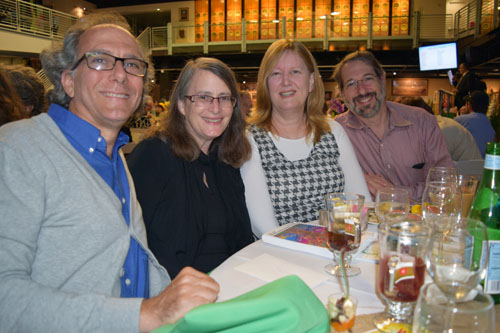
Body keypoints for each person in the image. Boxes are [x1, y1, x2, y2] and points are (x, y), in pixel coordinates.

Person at [0, 13, 219, 332]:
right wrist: (146, 314)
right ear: (68, 80)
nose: (120, 74)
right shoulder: (18, 148)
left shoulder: (113, 156)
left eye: (132, 64)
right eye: (100, 60)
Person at [127, 57, 254, 279]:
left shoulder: (226, 161)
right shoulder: (153, 156)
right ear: (182, 105)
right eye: (204, 97)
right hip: (175, 296)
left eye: (224, 98)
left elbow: (240, 240)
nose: (215, 108)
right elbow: (131, 243)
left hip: (230, 285)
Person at [241, 39, 371, 238]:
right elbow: (264, 227)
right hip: (279, 256)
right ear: (265, 84)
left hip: (336, 248)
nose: (286, 81)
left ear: (311, 81)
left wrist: (337, 246)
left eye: (295, 72)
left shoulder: (333, 131)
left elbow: (360, 202)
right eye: (276, 73)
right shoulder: (251, 140)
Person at [334, 51, 454, 202]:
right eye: (351, 83)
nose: (362, 90)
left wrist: (393, 193)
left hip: (422, 221)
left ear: (382, 79)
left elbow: (446, 185)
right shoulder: (335, 132)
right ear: (341, 92)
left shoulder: (422, 122)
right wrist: (355, 179)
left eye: (368, 79)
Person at [394, 96, 481, 161]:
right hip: (464, 178)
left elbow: (427, 167)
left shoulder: (440, 131)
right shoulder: (439, 123)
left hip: (465, 181)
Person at [455, 90, 496, 158]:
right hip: (481, 166)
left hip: (462, 165)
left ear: (469, 105)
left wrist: (461, 115)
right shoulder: (490, 127)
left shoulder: (460, 120)